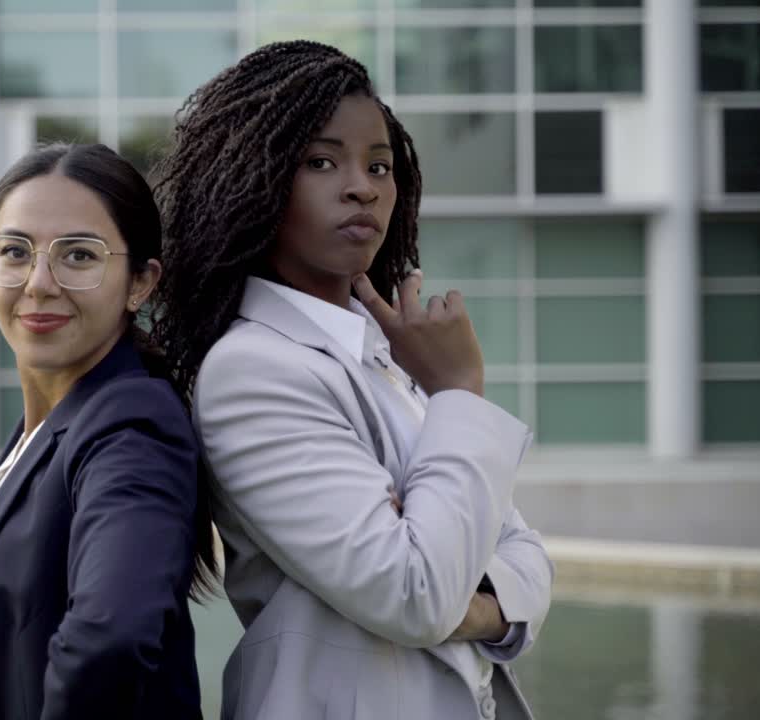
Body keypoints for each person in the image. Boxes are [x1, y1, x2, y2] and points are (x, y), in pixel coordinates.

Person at [149, 41, 553, 719]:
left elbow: (529, 556)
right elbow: (418, 592)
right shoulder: (253, 370)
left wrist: (476, 605)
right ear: (255, 178)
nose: (362, 185)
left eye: (379, 165)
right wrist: (457, 392)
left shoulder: (392, 358)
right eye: (320, 161)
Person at [0, 142, 217, 719]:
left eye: (79, 256)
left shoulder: (132, 427)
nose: (38, 282)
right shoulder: (48, 430)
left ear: (139, 282)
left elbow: (110, 639)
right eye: (15, 251)